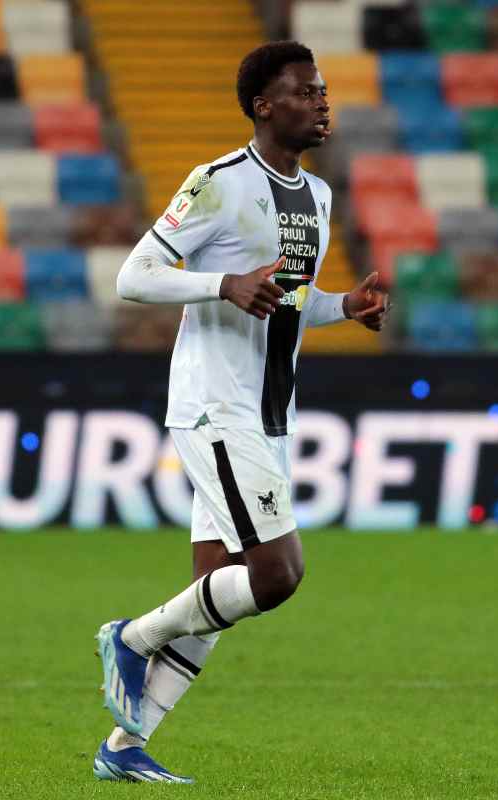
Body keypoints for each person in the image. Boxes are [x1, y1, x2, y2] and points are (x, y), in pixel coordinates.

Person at [92, 41, 388, 783]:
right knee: (277, 573)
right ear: (264, 106)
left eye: (322, 90)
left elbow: (285, 301)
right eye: (304, 92)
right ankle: (132, 637)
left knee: (217, 592)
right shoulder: (218, 182)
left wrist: (342, 307)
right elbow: (134, 276)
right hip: (215, 407)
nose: (321, 102)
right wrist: (219, 283)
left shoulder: (318, 197)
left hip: (269, 411)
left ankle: (124, 747)